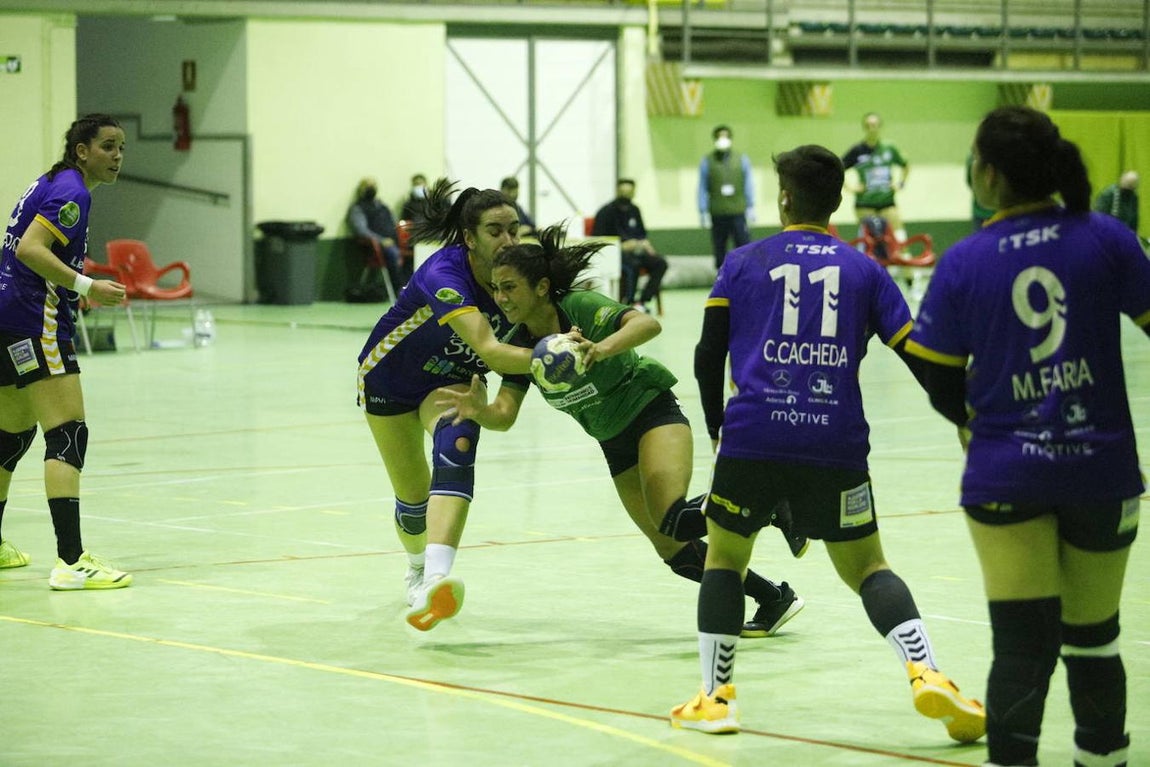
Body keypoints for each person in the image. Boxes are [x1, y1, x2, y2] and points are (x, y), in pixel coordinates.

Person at [670, 144, 984, 743]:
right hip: (835, 445)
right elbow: (919, 358)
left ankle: (716, 698)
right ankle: (928, 673)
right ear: (838, 201)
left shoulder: (742, 262)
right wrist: (967, 419)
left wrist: (717, 429)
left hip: (752, 438)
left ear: (784, 198)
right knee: (869, 567)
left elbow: (708, 353)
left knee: (726, 561)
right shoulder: (866, 271)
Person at [907, 106, 1147, 767]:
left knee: (1020, 647)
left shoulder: (963, 261)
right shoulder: (1107, 237)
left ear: (986, 174)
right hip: (1101, 465)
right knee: (1094, 639)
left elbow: (936, 377)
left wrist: (970, 420)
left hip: (1006, 466)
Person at [434, 223, 806, 640]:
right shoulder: (520, 345)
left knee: (673, 515)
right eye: (495, 289)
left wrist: (599, 347)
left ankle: (769, 497)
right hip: (613, 441)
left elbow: (647, 325)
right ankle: (773, 597)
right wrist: (480, 411)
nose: (500, 299)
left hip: (650, 411)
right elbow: (506, 414)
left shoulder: (577, 307)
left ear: (540, 287)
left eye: (509, 287)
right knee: (673, 547)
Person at [357, 178, 536, 632]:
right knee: (413, 502)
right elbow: (491, 349)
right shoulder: (444, 273)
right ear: (469, 238)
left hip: (450, 380)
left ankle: (436, 579)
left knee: (458, 442)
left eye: (515, 229)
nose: (509, 241)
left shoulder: (522, 279)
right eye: (496, 231)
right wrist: (556, 358)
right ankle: (416, 563)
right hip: (390, 379)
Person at [0, 113, 132, 590]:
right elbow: (30, 250)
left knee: (10, 437)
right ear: (82, 150)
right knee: (67, 434)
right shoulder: (73, 194)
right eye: (108, 147)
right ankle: (72, 562)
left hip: (6, 317)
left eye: (121, 148)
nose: (117, 156)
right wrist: (86, 285)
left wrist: (79, 270)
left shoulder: (51, 181)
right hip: (37, 322)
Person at [591, 178, 668, 313]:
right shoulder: (606, 212)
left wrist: (644, 243)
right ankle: (628, 302)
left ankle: (642, 301)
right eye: (623, 191)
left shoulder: (635, 210)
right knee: (634, 265)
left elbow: (642, 233)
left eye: (629, 192)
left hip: (636, 250)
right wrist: (620, 246)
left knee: (660, 263)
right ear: (617, 191)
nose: (626, 195)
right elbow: (597, 238)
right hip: (614, 253)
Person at [843, 113, 910, 243]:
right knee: (871, 241)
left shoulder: (889, 148)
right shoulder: (857, 150)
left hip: (887, 201)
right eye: (868, 125)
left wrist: (900, 184)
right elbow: (838, 168)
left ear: (880, 127)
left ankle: (903, 259)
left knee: (899, 236)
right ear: (864, 128)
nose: (871, 128)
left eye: (874, 125)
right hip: (865, 204)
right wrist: (850, 187)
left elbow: (905, 165)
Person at [698, 125, 754, 270]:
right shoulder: (707, 161)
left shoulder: (742, 159)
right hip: (717, 212)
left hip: (738, 211)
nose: (723, 139)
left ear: (730, 138)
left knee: (743, 246)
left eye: (725, 136)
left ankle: (744, 275)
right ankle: (721, 279)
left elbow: (748, 183)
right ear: (715, 139)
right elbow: (702, 187)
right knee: (719, 247)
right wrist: (702, 210)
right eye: (719, 137)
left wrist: (750, 206)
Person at [347, 177, 403, 293]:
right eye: (367, 186)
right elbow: (361, 230)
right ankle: (398, 290)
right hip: (377, 246)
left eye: (373, 185)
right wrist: (381, 240)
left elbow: (394, 223)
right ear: (360, 189)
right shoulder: (358, 208)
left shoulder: (383, 206)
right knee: (394, 253)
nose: (371, 188)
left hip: (394, 241)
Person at [1093, 169, 1139, 234]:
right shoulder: (1108, 194)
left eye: (1131, 188)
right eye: (1127, 187)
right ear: (1121, 182)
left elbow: (1134, 221)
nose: (1128, 192)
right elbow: (1099, 217)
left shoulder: (1133, 197)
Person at [966, 151, 995, 231]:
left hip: (980, 211)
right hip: (1001, 212)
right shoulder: (1004, 157)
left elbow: (970, 182)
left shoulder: (972, 158)